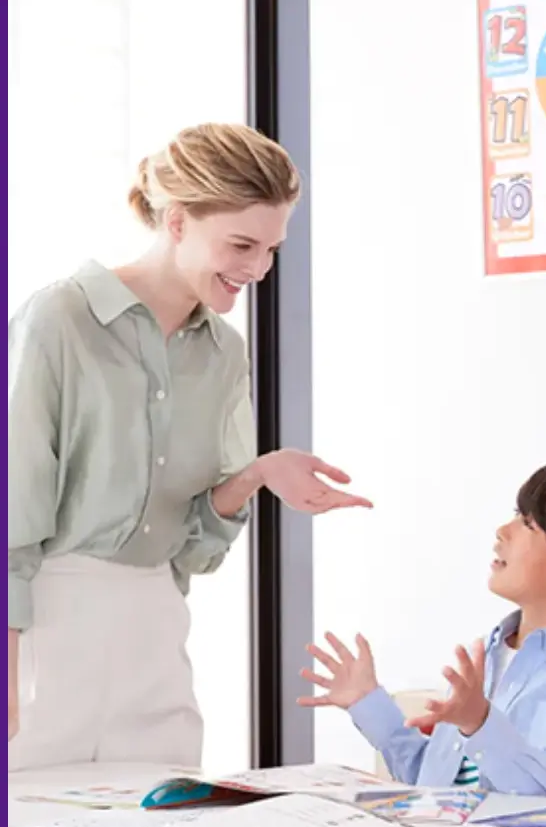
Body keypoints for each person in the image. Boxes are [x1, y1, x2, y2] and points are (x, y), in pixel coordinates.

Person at [8, 123, 371, 770]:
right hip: (46, 623)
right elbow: (13, 508)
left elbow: (198, 545)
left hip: (156, 627)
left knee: (167, 814)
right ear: (176, 221)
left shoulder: (224, 353)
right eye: (241, 244)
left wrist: (258, 473)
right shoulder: (60, 320)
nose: (258, 269)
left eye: (271, 249)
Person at [300, 460, 546, 800]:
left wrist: (479, 723)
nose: (503, 530)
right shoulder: (489, 654)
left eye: (529, 524)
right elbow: (435, 786)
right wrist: (368, 703)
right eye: (516, 515)